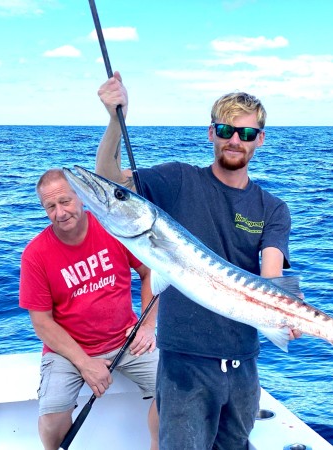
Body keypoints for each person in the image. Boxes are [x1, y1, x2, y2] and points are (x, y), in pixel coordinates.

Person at [95, 72, 301, 450]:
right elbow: (111, 181)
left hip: (243, 362)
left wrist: (290, 315)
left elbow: (272, 273)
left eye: (247, 133)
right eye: (226, 130)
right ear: (211, 134)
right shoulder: (177, 180)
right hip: (183, 361)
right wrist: (113, 120)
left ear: (260, 140)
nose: (235, 140)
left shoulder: (273, 208)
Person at [19, 169, 159, 450]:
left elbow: (151, 273)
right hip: (69, 351)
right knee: (52, 415)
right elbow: (42, 323)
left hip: (126, 340)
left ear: (81, 198)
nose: (60, 212)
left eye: (65, 201)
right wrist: (84, 363)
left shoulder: (113, 228)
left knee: (175, 390)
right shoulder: (35, 254)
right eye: (51, 206)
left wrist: (147, 325)